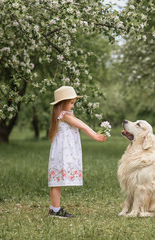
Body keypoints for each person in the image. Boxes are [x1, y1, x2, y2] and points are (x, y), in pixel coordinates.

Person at [48, 86, 107, 218]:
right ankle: (55, 209)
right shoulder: (63, 115)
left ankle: (54, 208)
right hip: (62, 152)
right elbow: (81, 125)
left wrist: (95, 133)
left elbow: (80, 122)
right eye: (71, 103)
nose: (73, 106)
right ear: (62, 103)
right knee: (57, 180)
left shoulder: (64, 114)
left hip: (62, 151)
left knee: (57, 180)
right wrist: (95, 136)